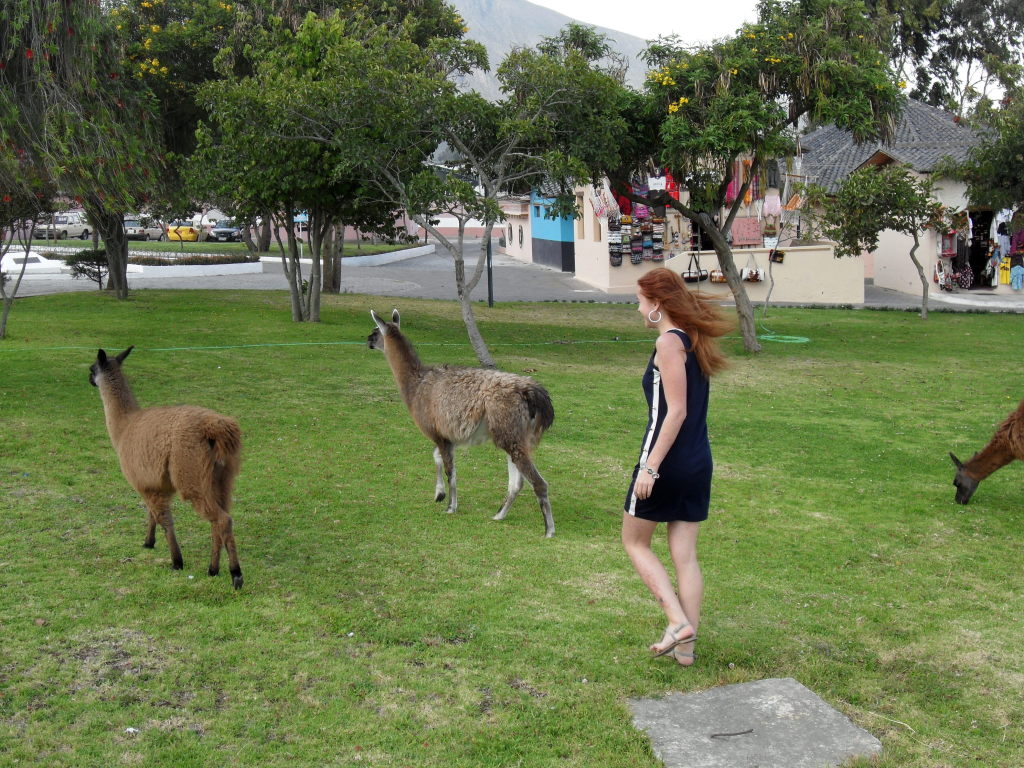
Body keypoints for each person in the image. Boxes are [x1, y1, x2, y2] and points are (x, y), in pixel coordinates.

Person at [622, 267, 730, 667]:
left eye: (639, 300)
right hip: (698, 462)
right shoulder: (693, 341)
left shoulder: (669, 343)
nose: (637, 307)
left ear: (656, 303)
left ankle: (675, 621)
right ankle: (686, 651)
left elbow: (676, 412)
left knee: (634, 542)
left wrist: (649, 469)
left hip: (667, 463)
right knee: (684, 555)